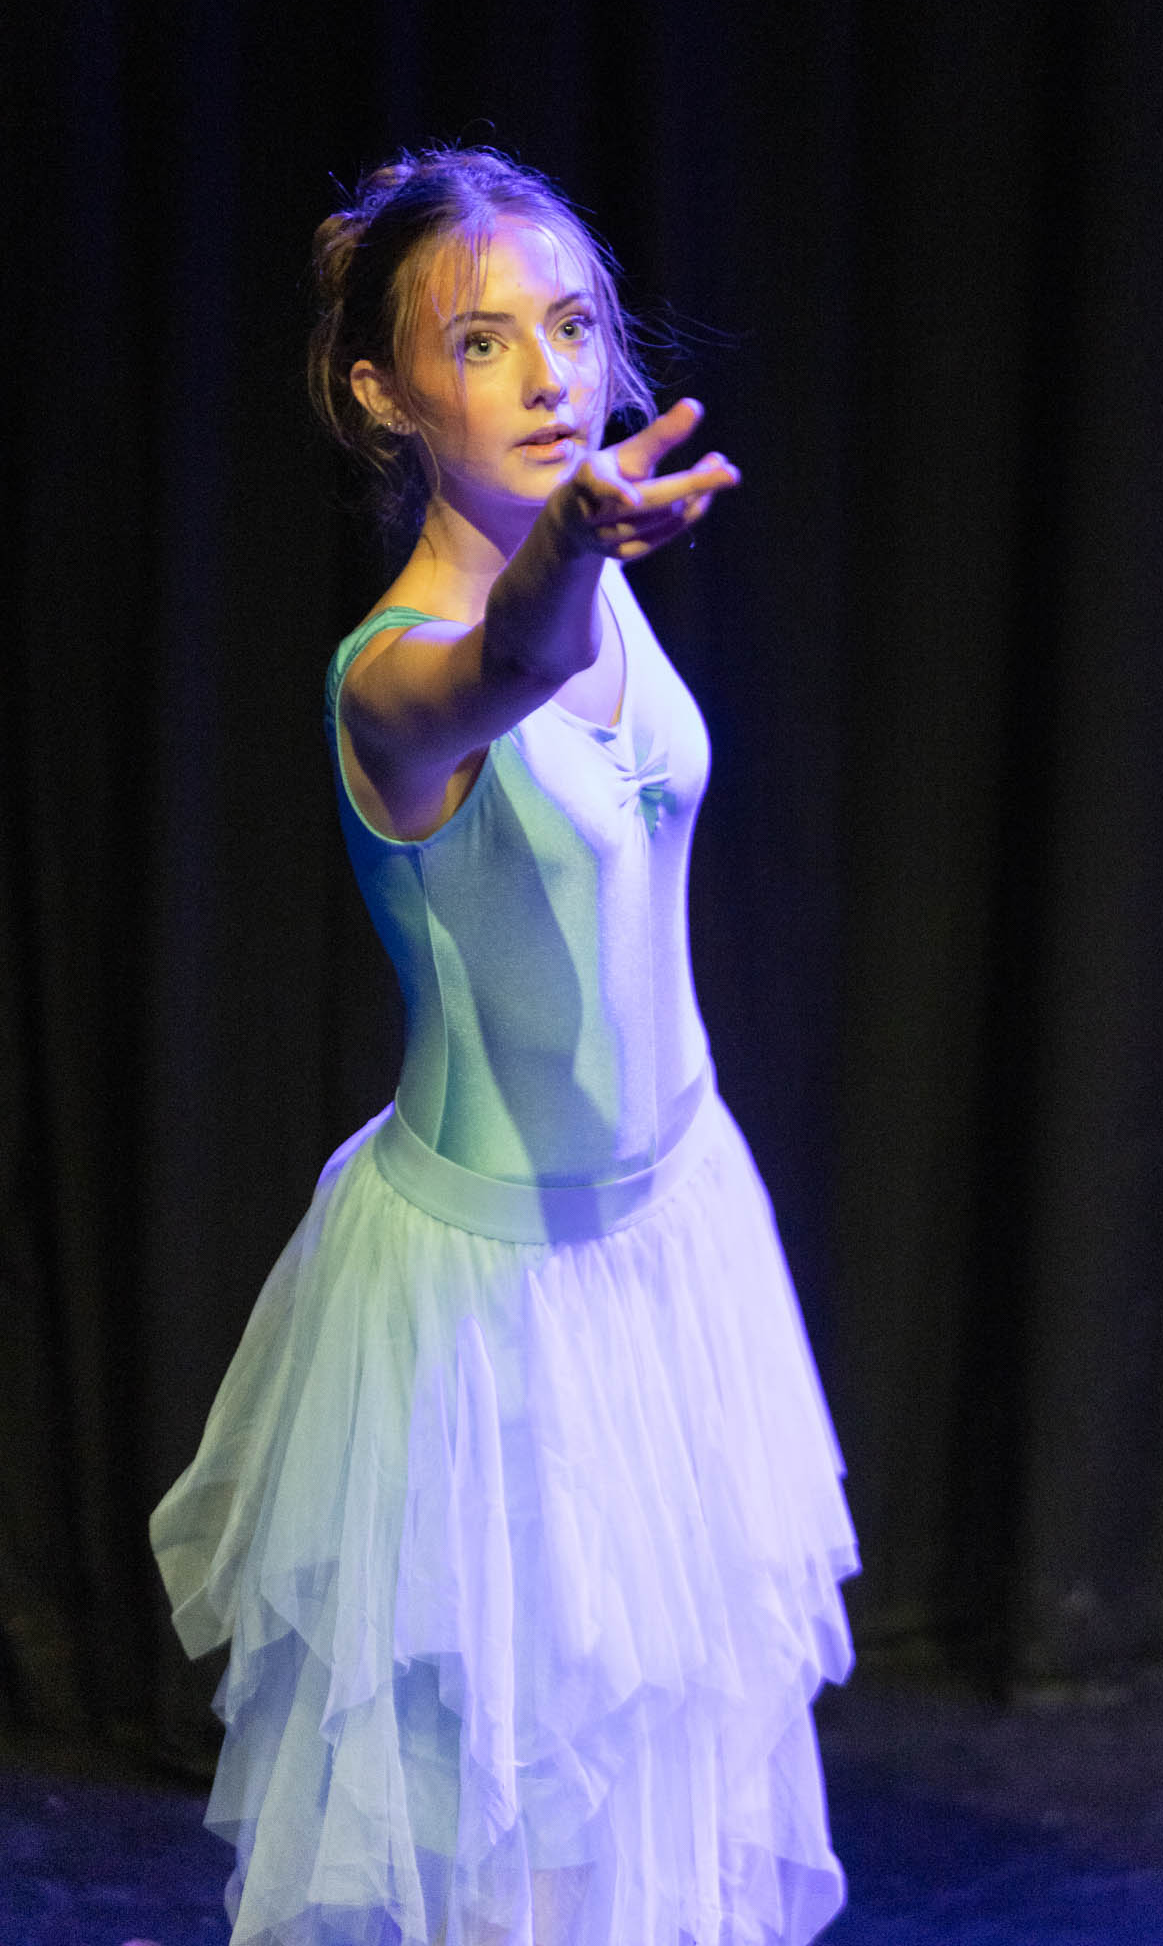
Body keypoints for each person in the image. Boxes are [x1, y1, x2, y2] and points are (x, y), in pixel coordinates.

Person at [150, 146, 859, 1946]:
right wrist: (564, 553)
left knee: (669, 1778)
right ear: (383, 392)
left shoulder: (596, 574)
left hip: (675, 1237)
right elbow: (501, 670)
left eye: (572, 325)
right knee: (519, 1828)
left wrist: (578, 558)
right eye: (481, 341)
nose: (548, 376)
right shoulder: (393, 677)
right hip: (490, 1311)